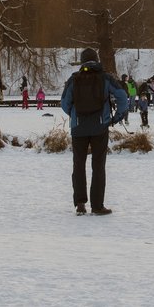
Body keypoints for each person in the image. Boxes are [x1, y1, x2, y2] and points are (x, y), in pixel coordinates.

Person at [60, 47, 129, 216]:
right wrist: (117, 117)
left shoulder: (74, 79)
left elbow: (64, 103)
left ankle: (80, 204)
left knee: (78, 165)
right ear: (97, 60)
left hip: (78, 128)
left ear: (82, 61)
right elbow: (121, 96)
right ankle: (97, 206)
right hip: (100, 127)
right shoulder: (105, 78)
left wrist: (75, 115)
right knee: (98, 166)